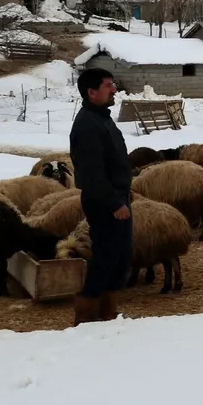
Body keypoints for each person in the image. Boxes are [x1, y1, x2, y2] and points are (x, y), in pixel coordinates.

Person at [68, 68, 133, 326]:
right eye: (108, 86)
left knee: (120, 256)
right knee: (106, 257)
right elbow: (91, 172)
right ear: (91, 92)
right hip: (104, 201)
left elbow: (112, 162)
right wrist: (114, 202)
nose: (114, 89)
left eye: (113, 84)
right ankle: (85, 314)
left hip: (116, 197)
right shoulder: (86, 124)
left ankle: (108, 312)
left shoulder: (102, 118)